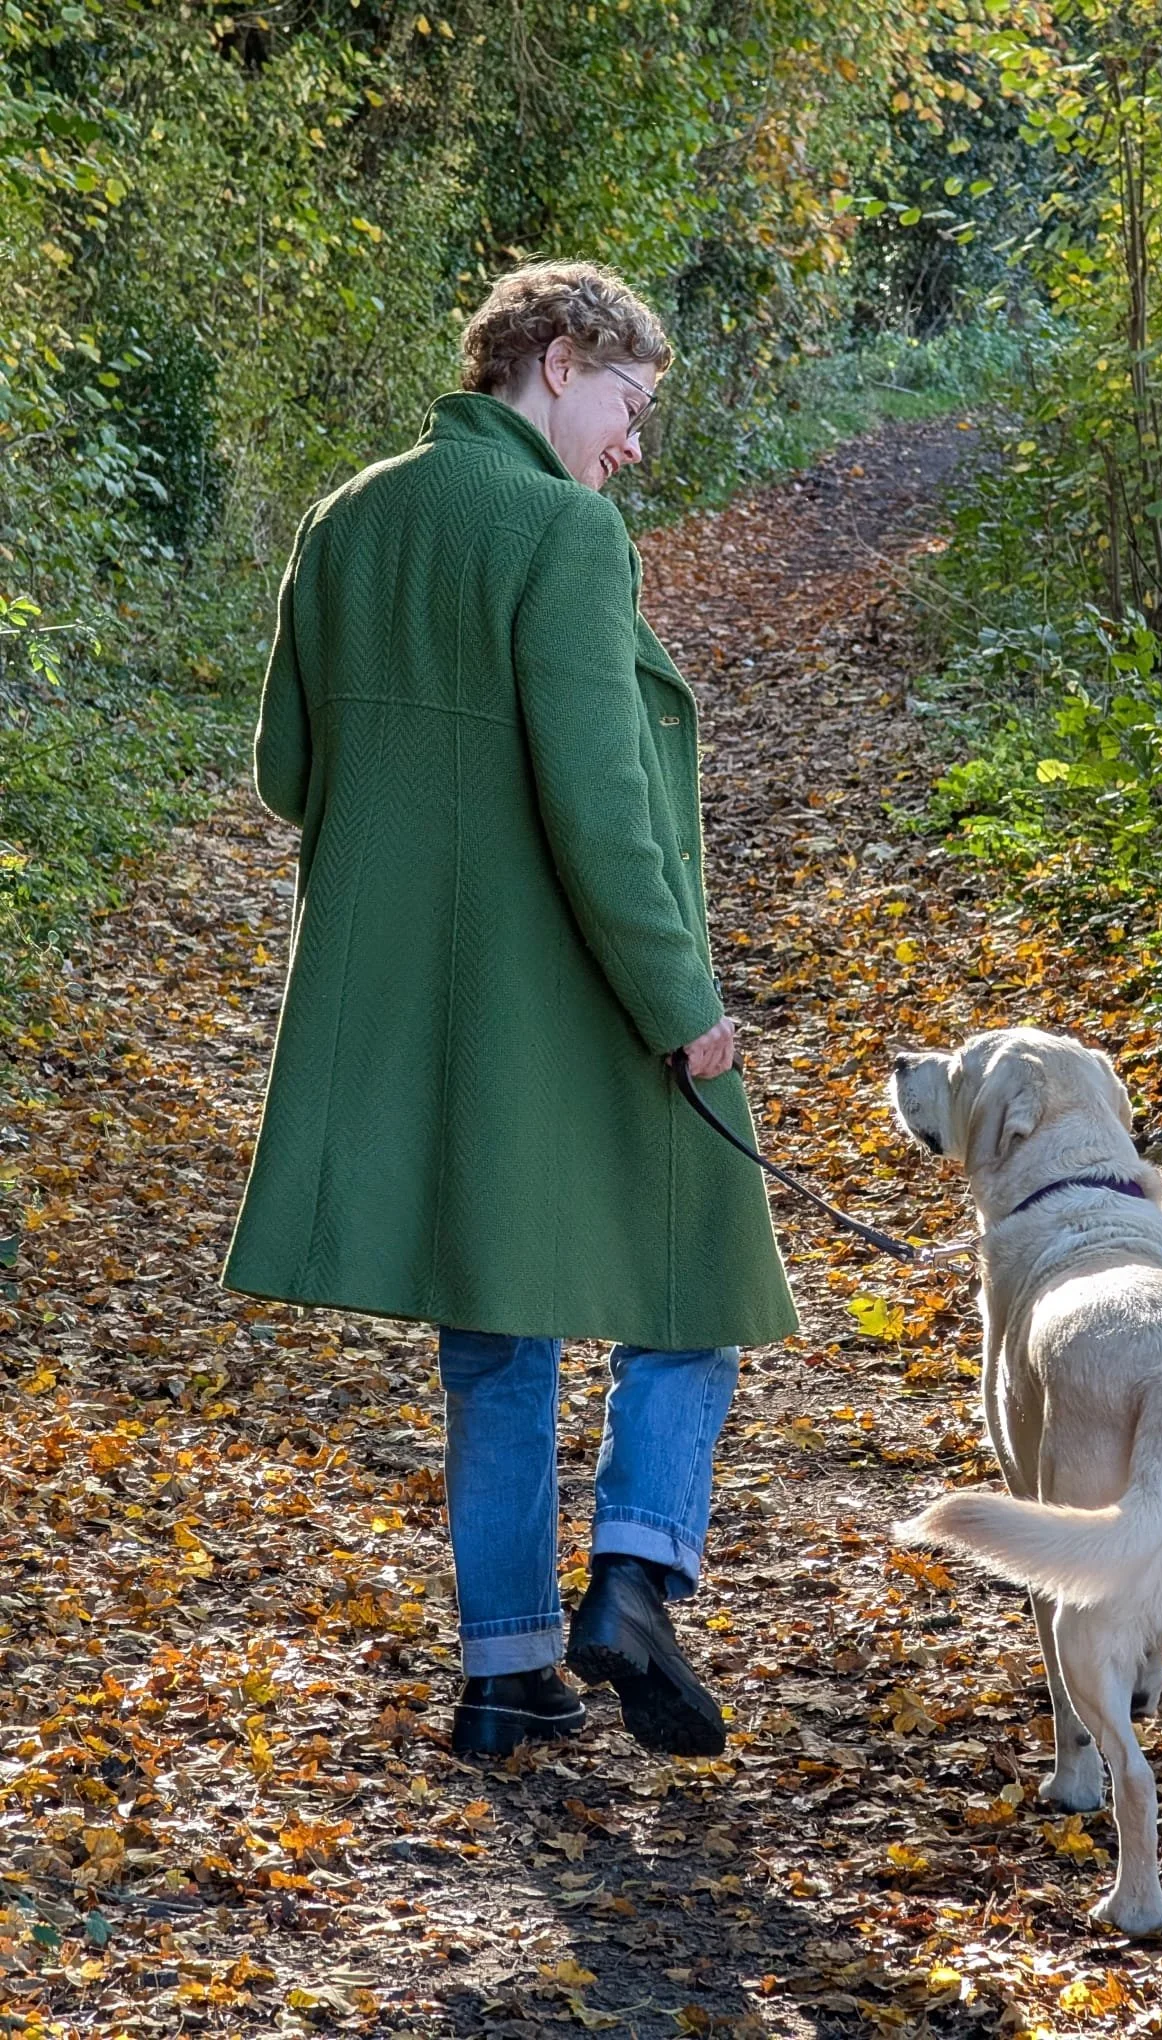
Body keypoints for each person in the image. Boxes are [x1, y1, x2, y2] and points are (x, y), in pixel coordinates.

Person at [223, 260, 797, 1759]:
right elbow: (605, 809)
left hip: (416, 1004)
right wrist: (685, 1006)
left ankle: (504, 1675)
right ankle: (636, 1579)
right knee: (702, 1274)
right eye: (628, 401)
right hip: (569, 990)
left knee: (494, 1340)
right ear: (555, 362)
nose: (631, 442)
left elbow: (291, 771)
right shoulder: (563, 529)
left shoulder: (344, 519)